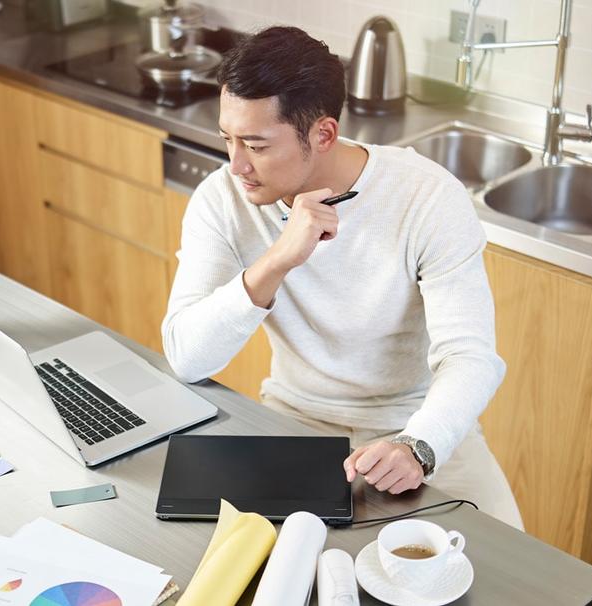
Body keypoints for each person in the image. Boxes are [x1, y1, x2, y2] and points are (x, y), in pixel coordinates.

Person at [161, 26, 523, 529]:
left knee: (514, 567)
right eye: (228, 138)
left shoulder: (427, 198)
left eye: (256, 144)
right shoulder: (222, 200)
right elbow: (186, 356)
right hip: (295, 422)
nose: (236, 164)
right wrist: (278, 259)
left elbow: (472, 357)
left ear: (324, 134)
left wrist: (419, 445)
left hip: (417, 425)